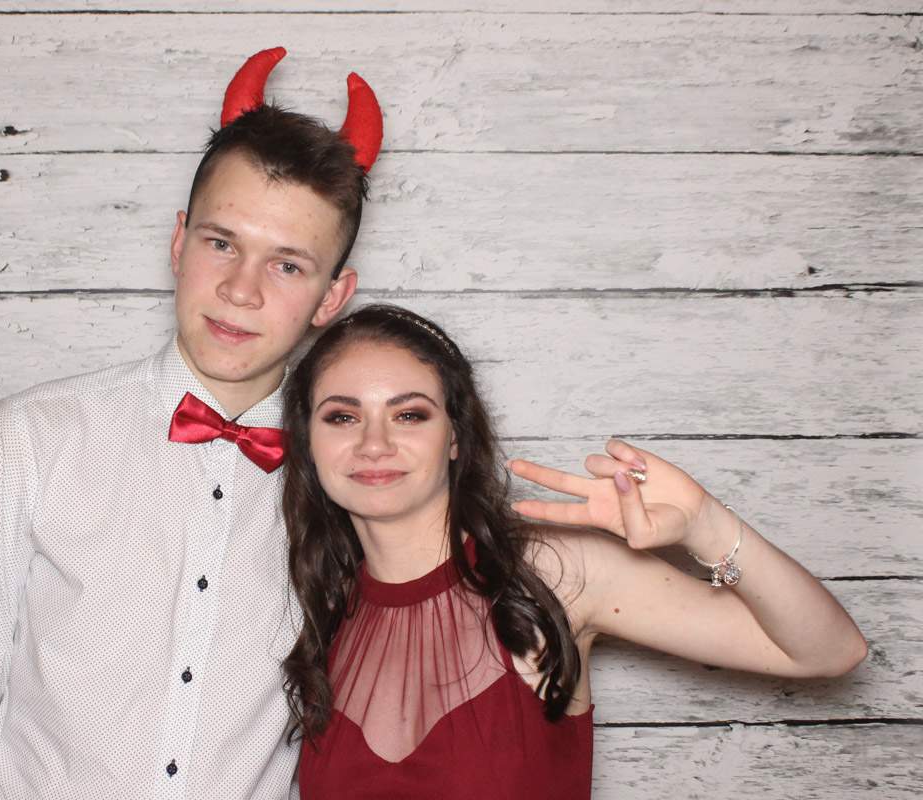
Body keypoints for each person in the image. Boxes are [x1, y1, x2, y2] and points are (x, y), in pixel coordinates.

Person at [0, 48, 381, 799]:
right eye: (222, 243)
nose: (240, 290)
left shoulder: (353, 477)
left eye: (287, 265)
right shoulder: (31, 438)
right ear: (179, 243)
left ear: (332, 297)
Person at [280, 304, 868, 800]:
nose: (374, 443)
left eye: (409, 414)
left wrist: (705, 525)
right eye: (343, 416)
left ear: (455, 436)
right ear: (310, 441)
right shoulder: (318, 609)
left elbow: (829, 651)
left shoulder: (553, 573)